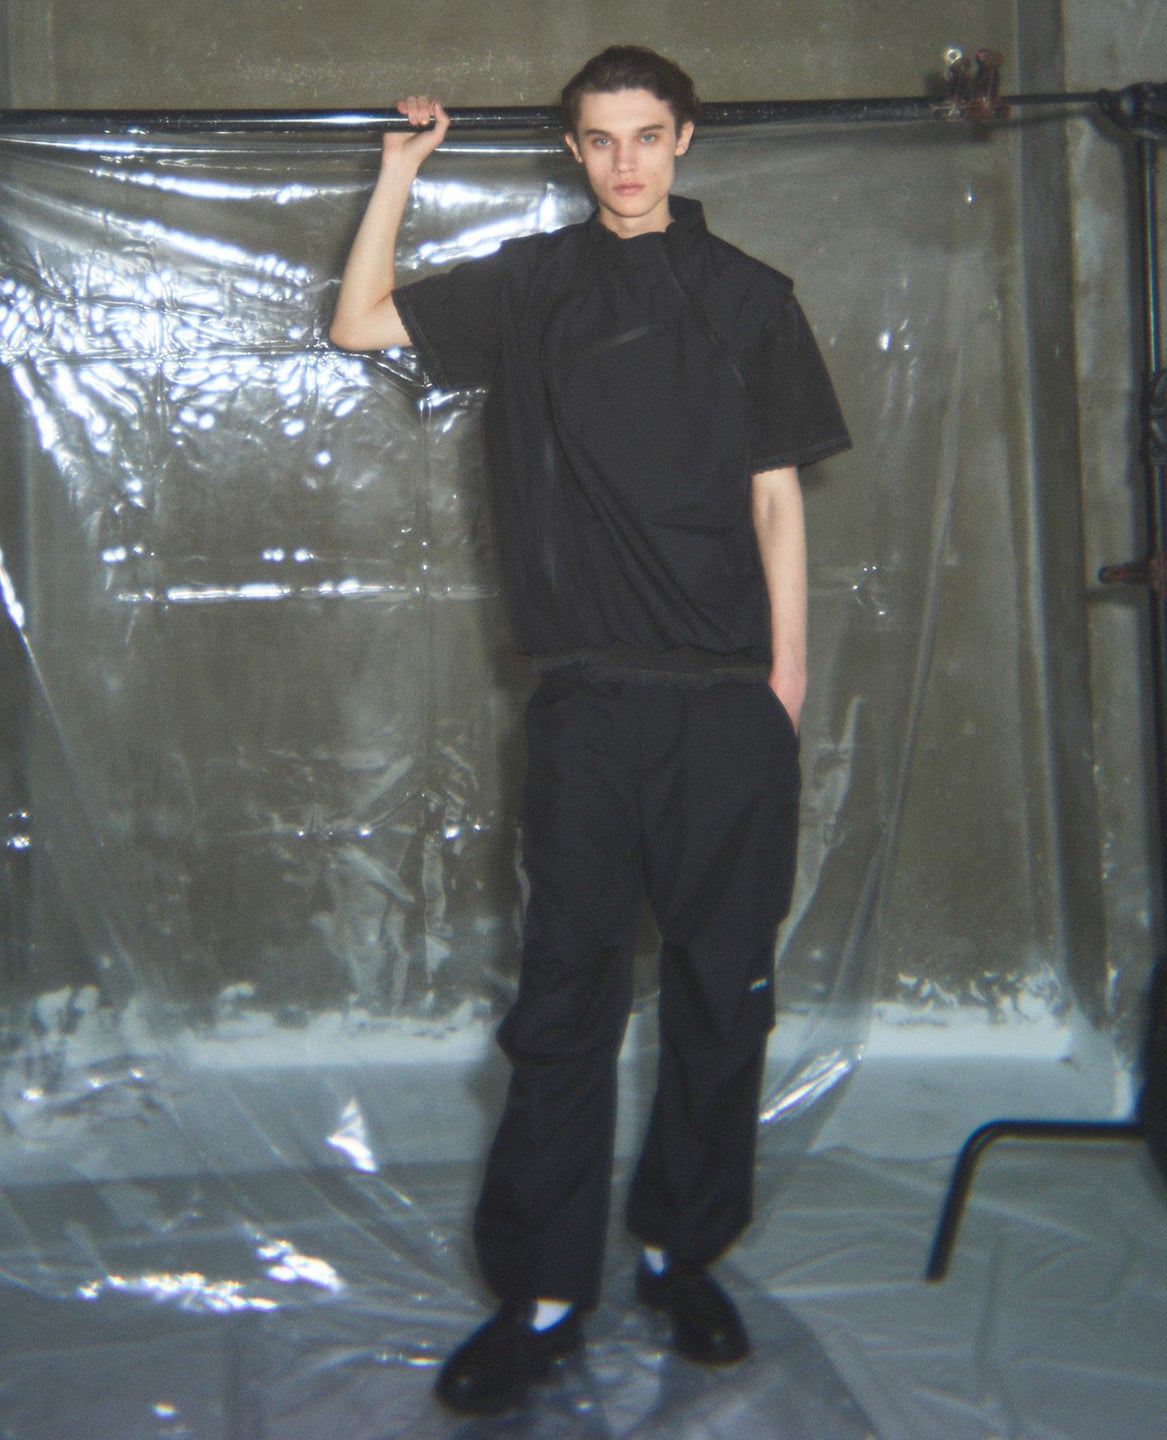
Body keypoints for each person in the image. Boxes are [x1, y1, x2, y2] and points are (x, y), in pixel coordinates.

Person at [330, 44, 850, 1416]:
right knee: (564, 1002)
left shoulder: (750, 299)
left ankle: (683, 1256)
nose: (626, 161)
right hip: (588, 705)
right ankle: (544, 1295)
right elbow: (361, 323)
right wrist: (399, 170)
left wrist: (786, 681)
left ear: (685, 139)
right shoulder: (535, 286)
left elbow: (777, 497)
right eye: (601, 139)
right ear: (573, 151)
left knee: (722, 994)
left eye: (647, 135)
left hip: (727, 704)